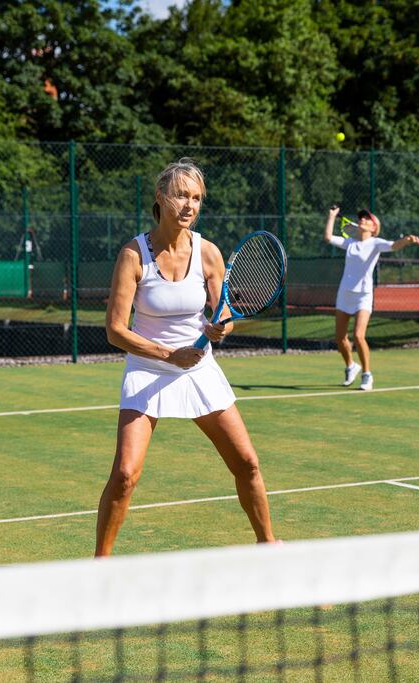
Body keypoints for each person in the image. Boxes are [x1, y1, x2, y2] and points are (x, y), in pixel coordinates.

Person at [95, 159, 278, 556]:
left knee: (247, 462)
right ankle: (100, 566)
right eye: (181, 195)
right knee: (125, 474)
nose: (189, 205)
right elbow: (115, 330)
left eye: (196, 198)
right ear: (161, 198)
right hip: (147, 368)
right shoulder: (133, 255)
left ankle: (269, 546)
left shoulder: (208, 253)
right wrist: (167, 354)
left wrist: (220, 327)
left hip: (198, 370)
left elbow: (222, 313)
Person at [324, 205, 419, 391]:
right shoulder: (350, 243)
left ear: (374, 228)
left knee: (359, 336)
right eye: (361, 218)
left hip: (364, 296)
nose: (363, 220)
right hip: (345, 293)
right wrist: (331, 216)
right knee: (340, 338)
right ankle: (351, 366)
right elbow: (328, 238)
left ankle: (367, 375)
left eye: (368, 219)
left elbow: (394, 245)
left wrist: (407, 240)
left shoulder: (376, 243)